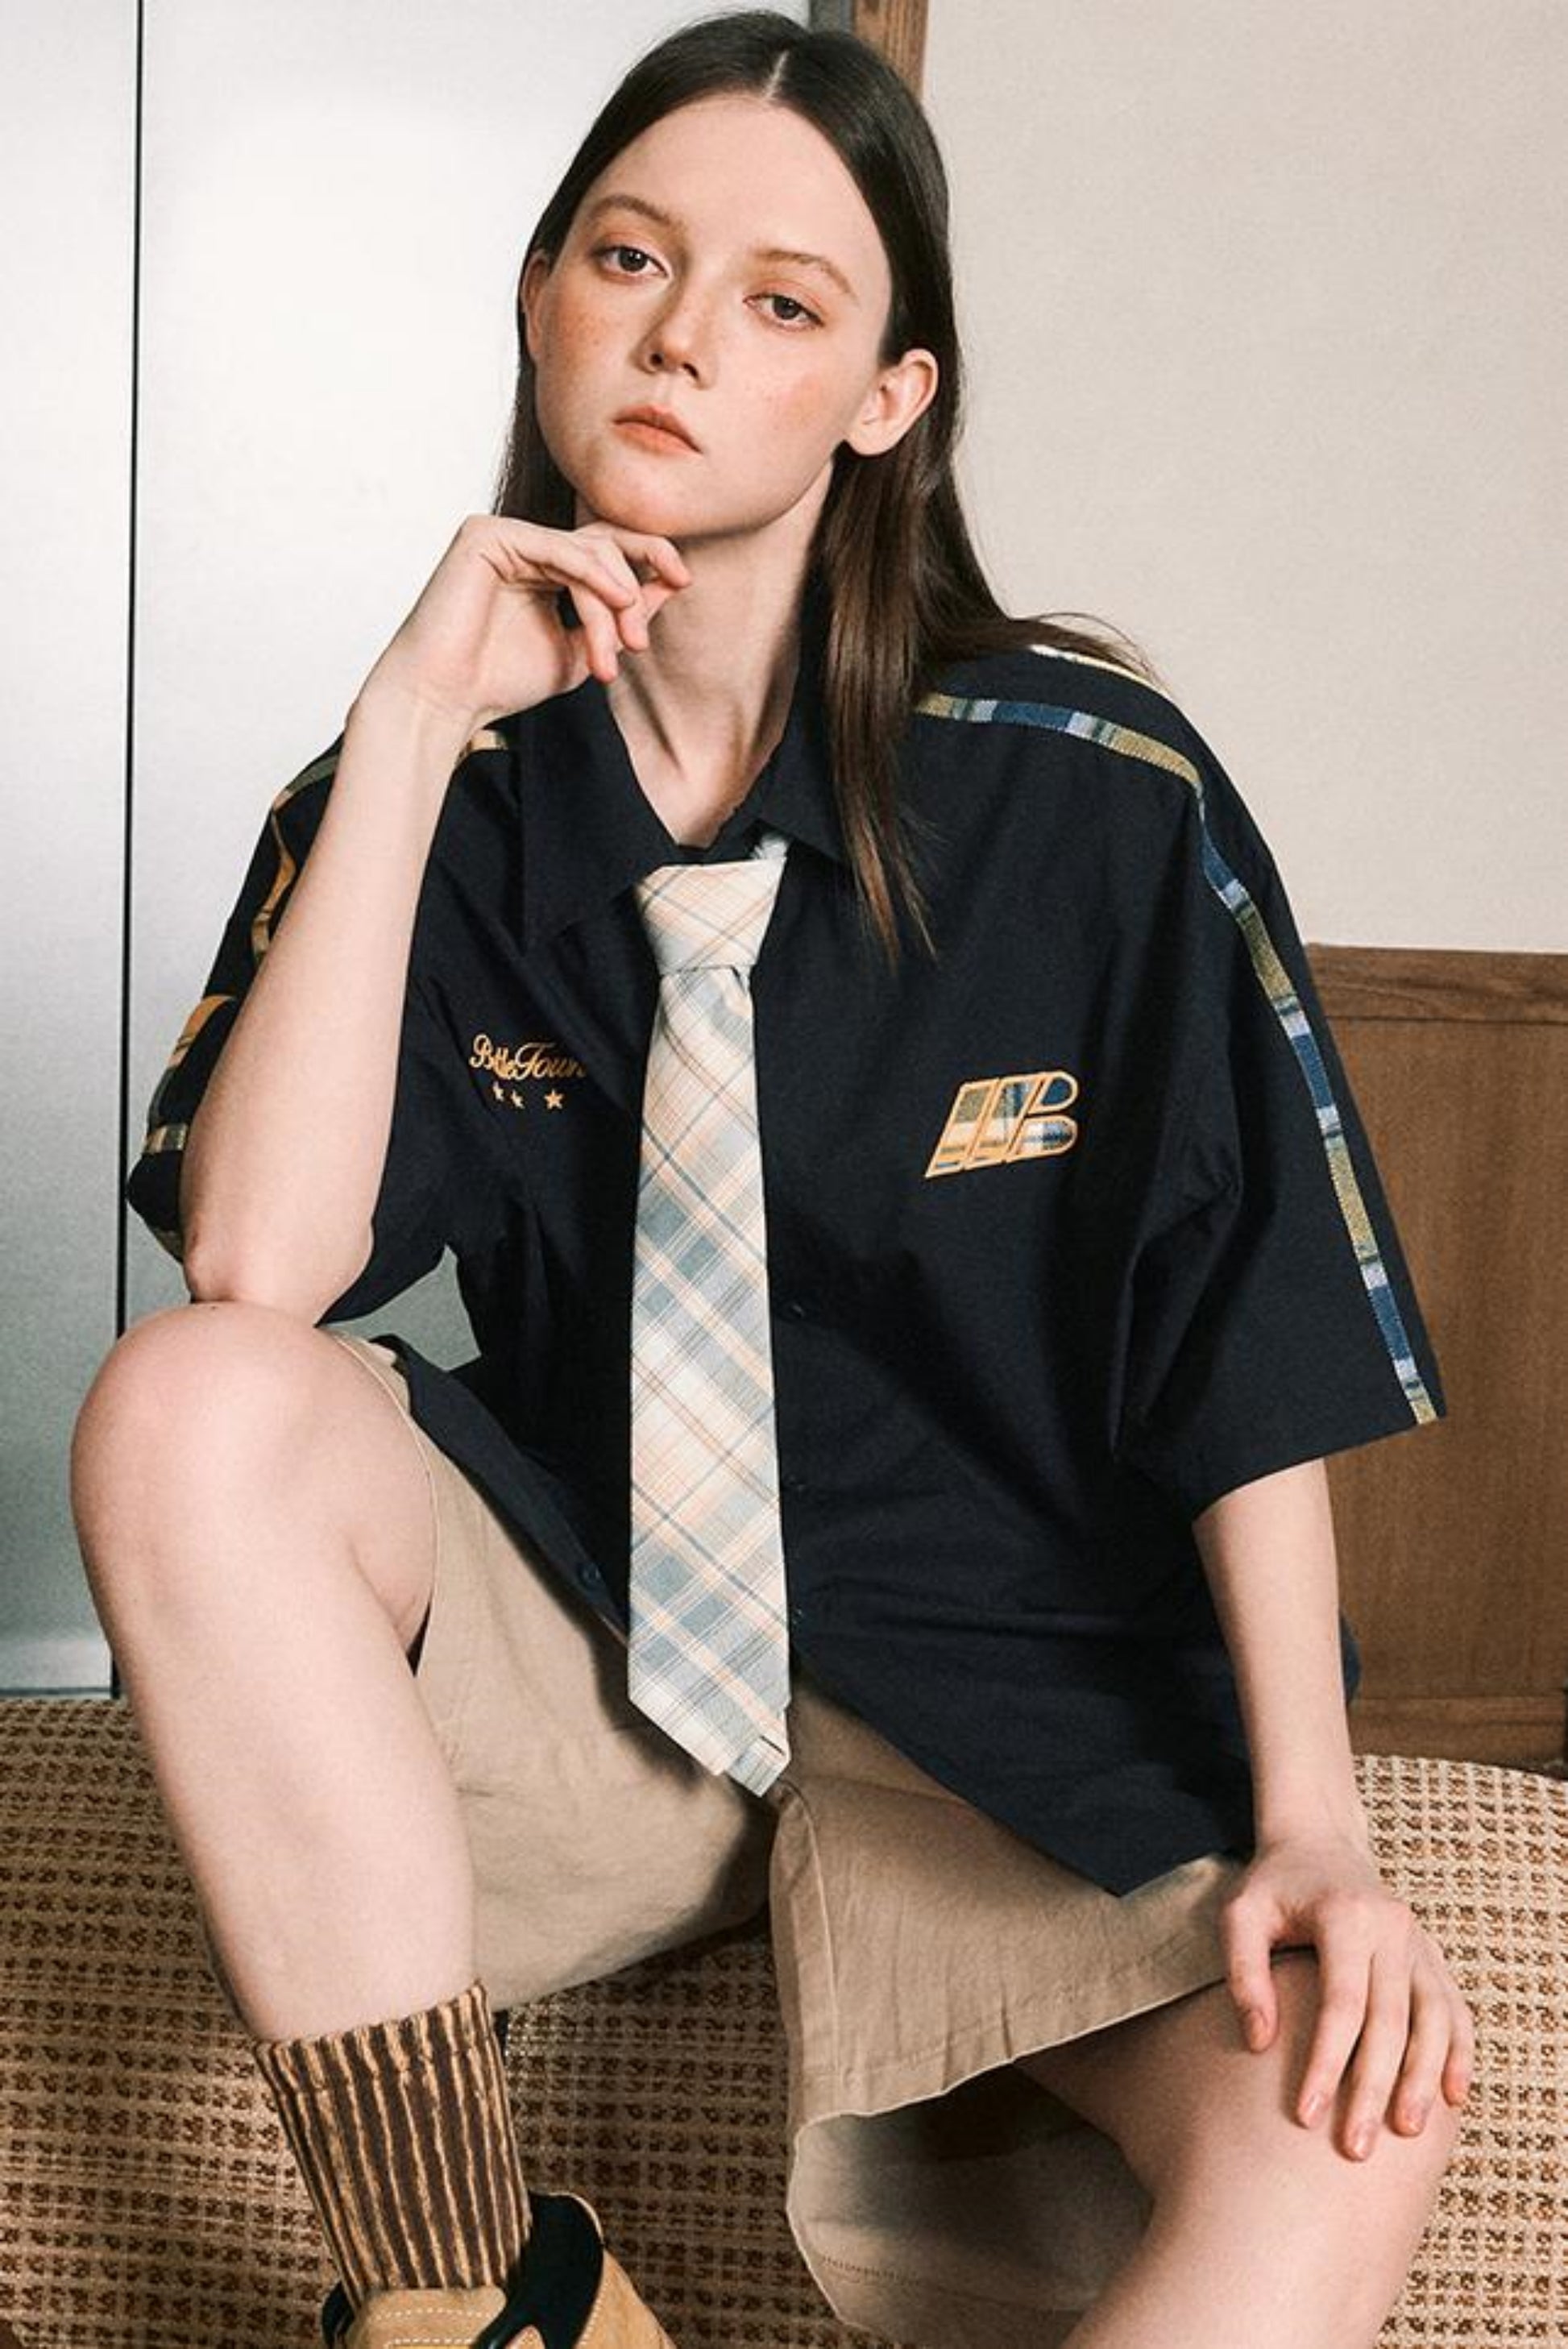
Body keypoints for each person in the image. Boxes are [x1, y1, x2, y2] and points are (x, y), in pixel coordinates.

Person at [71, 10, 1474, 2347]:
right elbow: (255, 1262)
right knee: (187, 1397)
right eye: (628, 258)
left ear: (888, 397)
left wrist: (1320, 1824)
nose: (681, 335)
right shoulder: (419, 801)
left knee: (1349, 2121)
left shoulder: (1091, 794)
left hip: (1007, 1708)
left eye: (782, 298)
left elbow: (1243, 1320)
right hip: (607, 1675)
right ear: (540, 297)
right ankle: (474, 2302)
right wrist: (411, 722)